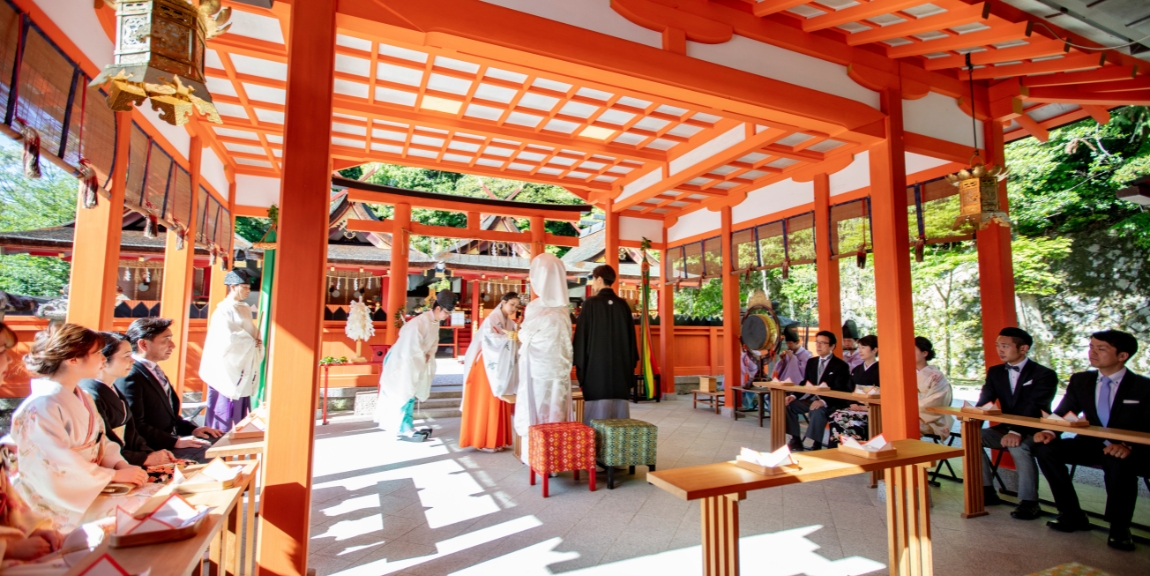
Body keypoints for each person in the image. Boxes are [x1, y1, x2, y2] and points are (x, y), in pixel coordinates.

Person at [8, 324, 149, 530]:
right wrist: (112, 476)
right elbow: (54, 463)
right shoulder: (42, 405)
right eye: (97, 353)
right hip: (55, 501)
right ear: (73, 359)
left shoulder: (84, 397)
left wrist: (120, 464)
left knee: (156, 500)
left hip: (89, 485)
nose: (103, 358)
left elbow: (101, 440)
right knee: (144, 511)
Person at [1033, 330, 1150, 551]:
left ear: (1122, 355)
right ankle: (1071, 513)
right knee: (1045, 449)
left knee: (1118, 462)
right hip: (1091, 444)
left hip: (1129, 449)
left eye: (1101, 348)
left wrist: (1129, 446)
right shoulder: (1081, 380)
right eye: (1091, 347)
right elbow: (1064, 412)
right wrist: (1050, 431)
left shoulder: (1143, 387)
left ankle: (1119, 527)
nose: (1092, 353)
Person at [976, 326, 1058, 520]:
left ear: (1023, 348)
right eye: (998, 345)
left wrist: (1016, 431)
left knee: (1018, 446)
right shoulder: (995, 372)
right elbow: (985, 401)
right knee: (972, 438)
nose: (1000, 350)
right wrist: (971, 421)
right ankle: (986, 490)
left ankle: (1030, 502)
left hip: (1034, 430)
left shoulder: (1044, 374)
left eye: (1005, 346)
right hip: (1006, 429)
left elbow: (1035, 405)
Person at [117, 318, 223, 463]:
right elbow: (135, 425)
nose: (172, 345)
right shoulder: (131, 375)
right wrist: (175, 442)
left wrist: (192, 429)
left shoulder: (153, 370)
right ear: (143, 344)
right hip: (153, 450)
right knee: (210, 452)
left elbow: (170, 415)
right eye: (166, 340)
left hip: (169, 440)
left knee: (220, 440)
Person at [80, 332, 175, 467]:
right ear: (104, 359)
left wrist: (149, 453)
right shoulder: (91, 394)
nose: (132, 360)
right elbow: (105, 443)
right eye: (126, 356)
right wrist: (143, 459)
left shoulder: (112, 388)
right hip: (114, 464)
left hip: (128, 458)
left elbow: (132, 433)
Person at [513, 253, 573, 464]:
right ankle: (554, 458)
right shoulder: (564, 310)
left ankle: (537, 456)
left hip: (538, 371)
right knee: (556, 409)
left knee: (537, 409)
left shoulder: (535, 307)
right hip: (559, 368)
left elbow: (525, 335)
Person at [375, 290, 456, 442]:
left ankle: (407, 426)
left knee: (410, 393)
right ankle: (402, 428)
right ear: (438, 308)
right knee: (403, 392)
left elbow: (433, 343)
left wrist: (428, 355)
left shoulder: (434, 322)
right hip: (402, 362)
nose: (447, 316)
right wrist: (422, 356)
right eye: (446, 312)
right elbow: (410, 346)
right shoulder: (420, 322)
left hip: (415, 361)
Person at [573, 265, 638, 423]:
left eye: (593, 279)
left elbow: (581, 338)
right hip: (620, 372)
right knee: (619, 422)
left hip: (595, 372)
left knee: (596, 420)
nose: (592, 283)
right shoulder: (623, 305)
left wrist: (581, 367)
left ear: (599, 279)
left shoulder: (590, 304)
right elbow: (631, 340)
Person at [198, 270, 263, 431]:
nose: (248, 290)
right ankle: (219, 434)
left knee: (241, 402)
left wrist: (256, 339)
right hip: (228, 366)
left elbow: (250, 330)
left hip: (243, 361)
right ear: (233, 287)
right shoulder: (223, 310)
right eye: (244, 287)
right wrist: (249, 341)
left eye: (249, 287)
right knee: (224, 402)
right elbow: (226, 336)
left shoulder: (244, 308)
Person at [459, 292, 520, 452]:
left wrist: (515, 337)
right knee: (487, 401)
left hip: (502, 365)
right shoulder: (492, 319)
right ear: (503, 302)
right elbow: (489, 339)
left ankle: (498, 440)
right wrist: (508, 338)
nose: (514, 308)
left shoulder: (510, 322)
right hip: (488, 363)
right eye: (512, 304)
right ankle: (484, 441)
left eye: (516, 306)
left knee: (499, 400)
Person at [784, 330, 851, 451]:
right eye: (817, 342)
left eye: (823, 343)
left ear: (832, 346)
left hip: (831, 402)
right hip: (812, 399)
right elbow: (805, 383)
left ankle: (816, 444)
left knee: (817, 410)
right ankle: (795, 439)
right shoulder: (812, 362)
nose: (818, 346)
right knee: (788, 405)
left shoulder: (841, 365)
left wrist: (823, 402)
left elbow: (841, 389)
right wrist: (793, 396)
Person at [828, 334, 878, 444]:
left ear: (874, 350)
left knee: (846, 420)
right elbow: (849, 389)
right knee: (836, 415)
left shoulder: (881, 369)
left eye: (863, 347)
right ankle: (838, 448)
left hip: (872, 409)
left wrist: (866, 407)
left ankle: (855, 447)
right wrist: (852, 403)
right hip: (856, 407)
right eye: (859, 347)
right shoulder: (856, 370)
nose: (860, 351)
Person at [914, 337, 954, 439]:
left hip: (929, 419)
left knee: (901, 425)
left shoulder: (936, 376)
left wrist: (907, 408)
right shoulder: (906, 373)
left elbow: (935, 401)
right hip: (909, 413)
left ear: (924, 353)